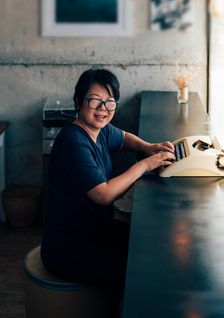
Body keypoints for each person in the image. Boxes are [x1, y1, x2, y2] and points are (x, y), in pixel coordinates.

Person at [41, 68, 175, 312]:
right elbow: (102, 195)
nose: (103, 108)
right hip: (69, 248)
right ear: (78, 101)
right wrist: (145, 164)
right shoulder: (73, 140)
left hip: (94, 231)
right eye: (94, 100)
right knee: (137, 274)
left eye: (110, 102)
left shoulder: (99, 131)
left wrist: (148, 147)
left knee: (145, 246)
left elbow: (123, 137)